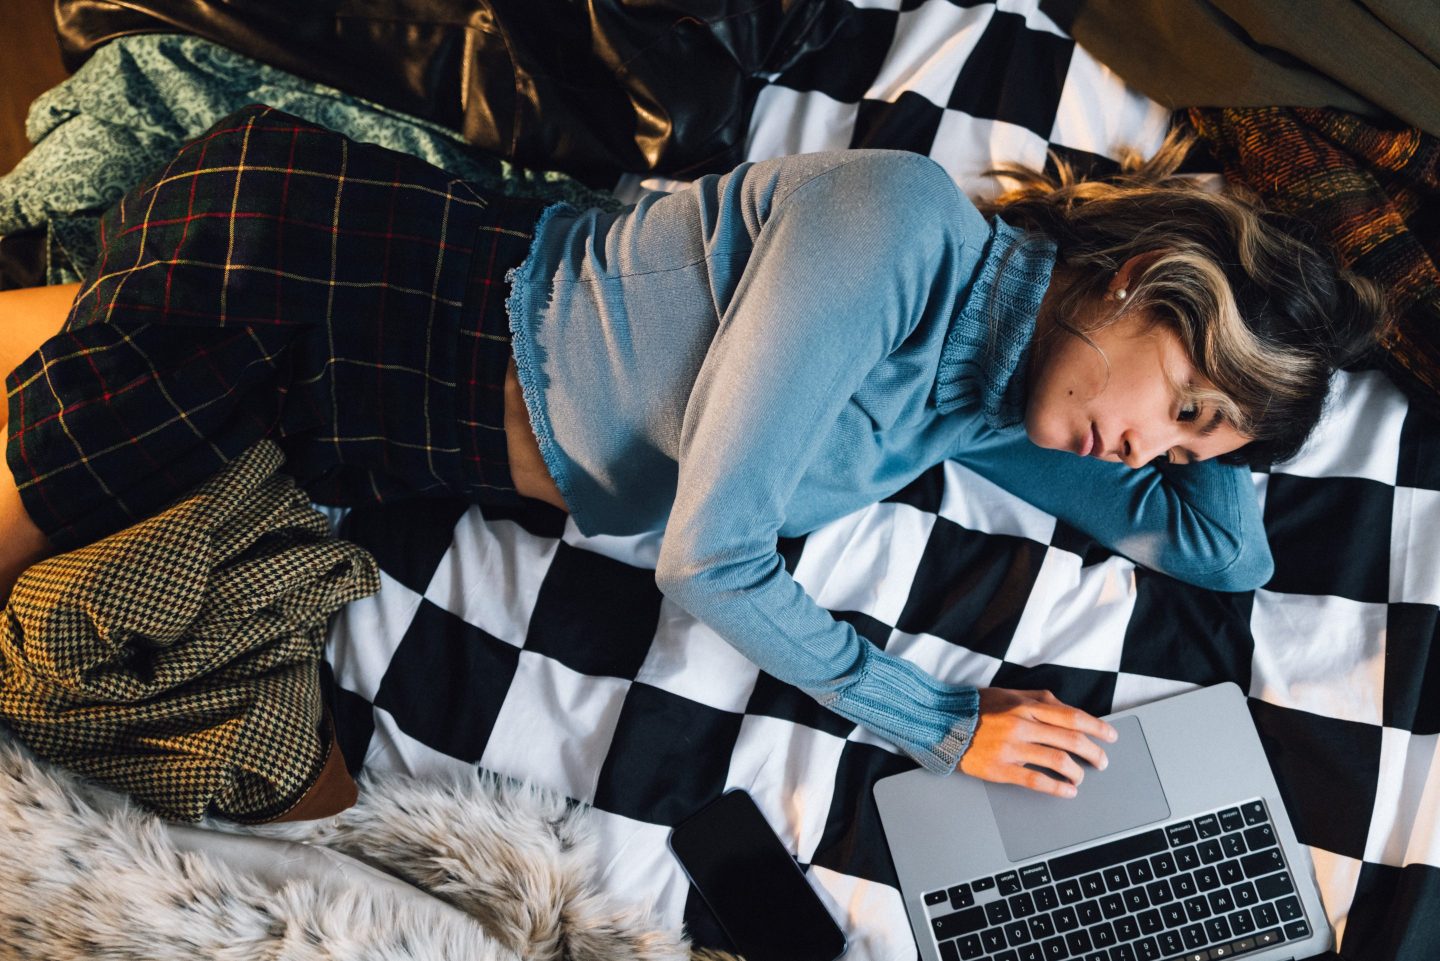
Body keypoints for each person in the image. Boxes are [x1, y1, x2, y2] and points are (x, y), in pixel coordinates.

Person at [0, 105, 1382, 798]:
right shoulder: (899, 226)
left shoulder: (1010, 401)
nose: (1148, 451)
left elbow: (1219, 548)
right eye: (1183, 405)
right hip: (325, 277)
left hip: (355, 420)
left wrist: (1255, 394)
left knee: (63, 383)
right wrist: (947, 725)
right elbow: (709, 557)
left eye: (1186, 442)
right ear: (1147, 282)